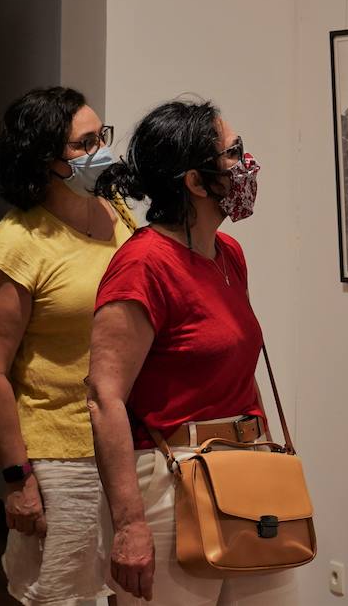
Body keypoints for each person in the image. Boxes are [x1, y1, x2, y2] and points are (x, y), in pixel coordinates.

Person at [86, 98, 295, 605]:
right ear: (196, 183)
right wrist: (129, 523)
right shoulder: (143, 265)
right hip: (170, 481)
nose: (246, 165)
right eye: (233, 153)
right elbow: (103, 398)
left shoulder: (229, 255)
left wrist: (271, 454)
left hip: (245, 468)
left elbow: (241, 370)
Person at [0, 86, 134, 606]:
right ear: (45, 160)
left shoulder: (117, 213)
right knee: (63, 595)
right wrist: (18, 479)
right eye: (85, 143)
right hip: (61, 456)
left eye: (101, 136)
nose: (101, 152)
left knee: (122, 590)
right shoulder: (17, 244)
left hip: (126, 441)